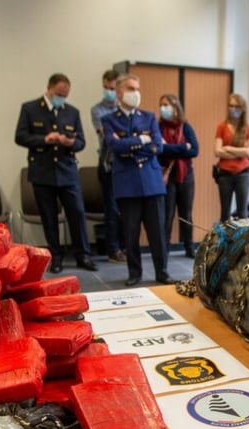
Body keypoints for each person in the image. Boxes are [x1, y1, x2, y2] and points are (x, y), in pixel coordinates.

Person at [15, 73, 97, 273]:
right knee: (49, 217)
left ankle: (83, 255)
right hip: (42, 172)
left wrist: (71, 143)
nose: (62, 97)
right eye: (60, 93)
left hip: (67, 171)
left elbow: (81, 142)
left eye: (66, 94)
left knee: (77, 214)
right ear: (49, 89)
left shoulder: (72, 112)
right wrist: (44, 139)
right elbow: (20, 136)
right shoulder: (30, 108)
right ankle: (56, 256)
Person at [102, 74, 174, 287]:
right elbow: (114, 147)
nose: (136, 93)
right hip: (127, 184)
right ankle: (135, 273)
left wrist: (129, 145)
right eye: (132, 88)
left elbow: (158, 147)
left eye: (137, 88)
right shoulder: (109, 120)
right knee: (131, 233)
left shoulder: (149, 116)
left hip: (152, 182)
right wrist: (142, 141)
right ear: (120, 93)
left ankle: (162, 271)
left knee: (157, 233)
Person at [90, 69, 124, 263]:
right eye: (105, 87)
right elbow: (107, 135)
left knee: (125, 210)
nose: (108, 91)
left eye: (111, 88)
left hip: (125, 167)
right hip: (108, 164)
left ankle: (125, 247)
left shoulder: (127, 108)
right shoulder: (97, 110)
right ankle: (113, 249)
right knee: (111, 208)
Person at [158, 94, 199, 258]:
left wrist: (170, 147)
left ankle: (189, 248)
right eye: (161, 105)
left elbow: (195, 150)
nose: (163, 108)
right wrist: (183, 147)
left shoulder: (186, 127)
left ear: (175, 107)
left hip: (186, 176)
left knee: (186, 214)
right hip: (167, 176)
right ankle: (164, 249)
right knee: (167, 215)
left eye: (166, 105)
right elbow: (160, 151)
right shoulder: (158, 127)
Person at [214, 93, 249, 222]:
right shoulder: (222, 127)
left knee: (242, 213)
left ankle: (242, 241)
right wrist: (239, 152)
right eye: (230, 106)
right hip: (225, 174)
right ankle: (225, 241)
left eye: (236, 106)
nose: (233, 109)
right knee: (224, 213)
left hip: (243, 174)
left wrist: (229, 148)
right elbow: (217, 151)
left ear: (242, 108)